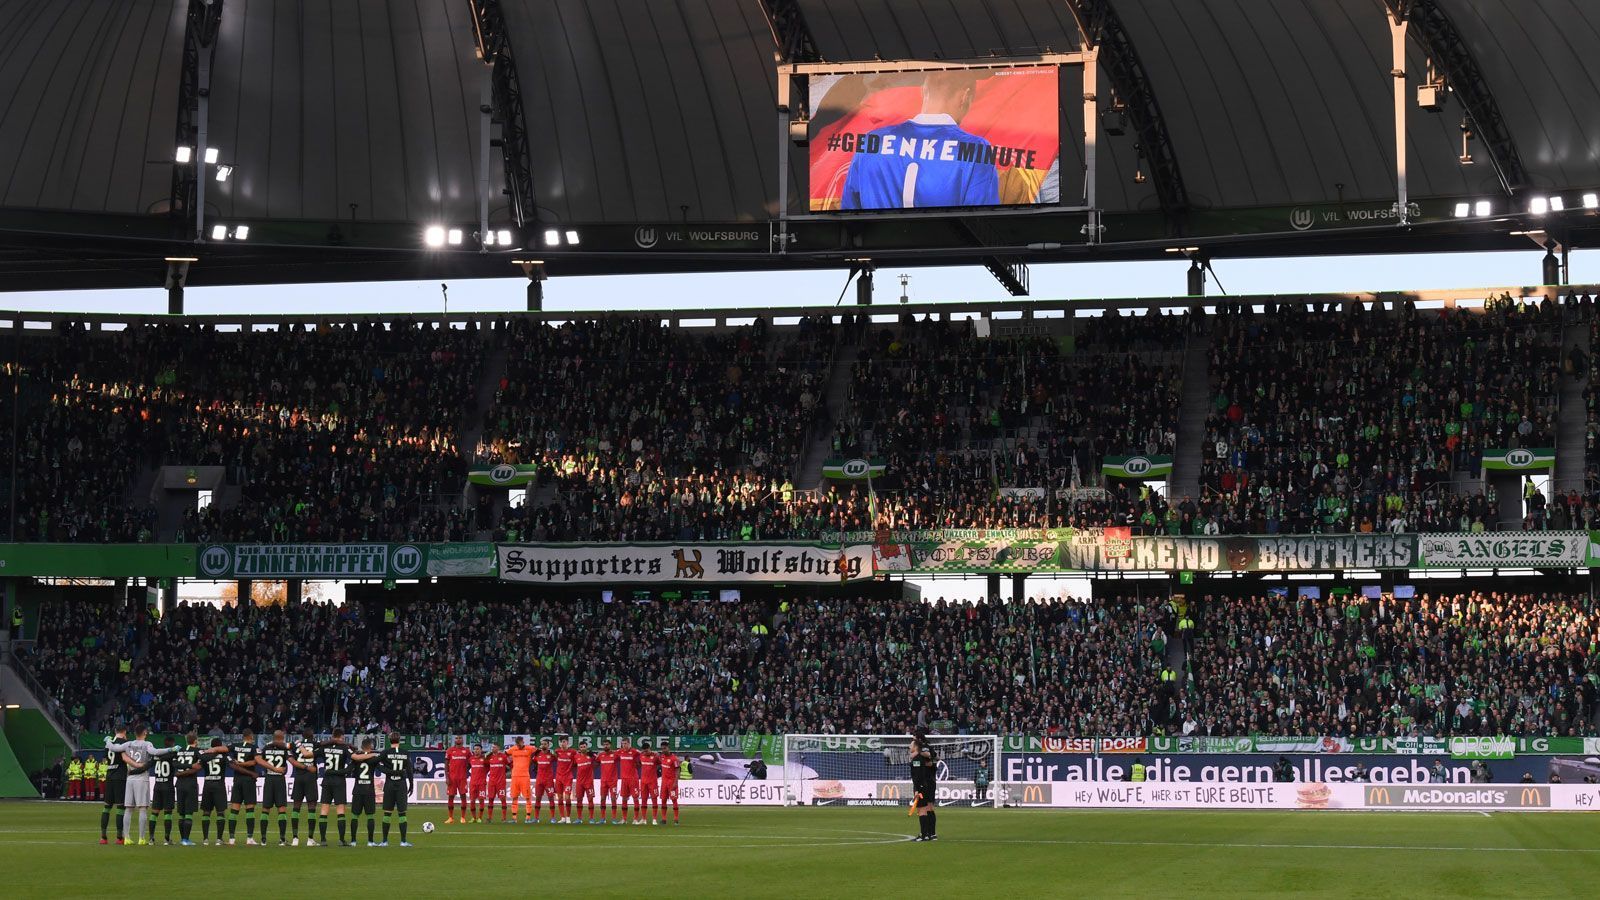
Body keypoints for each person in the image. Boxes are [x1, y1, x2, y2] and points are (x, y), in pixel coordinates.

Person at [839, 71, 1001, 211]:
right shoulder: (976, 149)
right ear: (965, 97)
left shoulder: (871, 141)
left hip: (877, 245)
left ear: (923, 91)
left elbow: (850, 213)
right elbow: (982, 218)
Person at [106, 724, 176, 845]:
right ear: (144, 733)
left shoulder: (128, 744)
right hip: (142, 778)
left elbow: (114, 748)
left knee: (128, 809)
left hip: (130, 778)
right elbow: (155, 752)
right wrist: (169, 749)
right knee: (142, 808)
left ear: (134, 733)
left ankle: (126, 838)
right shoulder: (147, 744)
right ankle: (141, 838)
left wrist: (108, 740)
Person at [316, 728, 355, 846]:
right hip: (339, 781)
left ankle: (323, 840)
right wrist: (344, 771)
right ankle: (341, 840)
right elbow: (354, 760)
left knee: (324, 809)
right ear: (341, 737)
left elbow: (311, 754)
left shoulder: (324, 748)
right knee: (340, 810)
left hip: (327, 780)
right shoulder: (344, 748)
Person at [192, 737, 231, 845]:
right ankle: (219, 839)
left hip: (207, 784)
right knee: (220, 812)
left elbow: (198, 767)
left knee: (206, 812)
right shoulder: (224, 755)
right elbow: (232, 765)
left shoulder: (205, 755)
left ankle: (205, 839)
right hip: (219, 785)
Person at [257, 730, 292, 845]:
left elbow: (259, 760)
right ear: (282, 738)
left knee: (265, 809)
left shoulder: (266, 748)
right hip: (279, 779)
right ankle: (282, 839)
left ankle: (263, 839)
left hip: (269, 779)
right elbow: (291, 760)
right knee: (281, 809)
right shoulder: (284, 748)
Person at [170, 732, 206, 846]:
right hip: (190, 784)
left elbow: (174, 764)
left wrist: (182, 772)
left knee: (181, 813)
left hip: (179, 784)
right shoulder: (197, 751)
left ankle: (182, 839)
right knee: (189, 813)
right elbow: (204, 759)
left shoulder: (179, 751)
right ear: (195, 741)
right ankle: (186, 839)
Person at [226, 728, 260, 845]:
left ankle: (231, 839)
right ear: (250, 736)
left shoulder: (235, 746)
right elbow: (254, 762)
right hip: (248, 780)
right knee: (249, 809)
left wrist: (233, 761)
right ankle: (249, 838)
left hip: (237, 780)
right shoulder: (254, 747)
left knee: (234, 809)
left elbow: (224, 750)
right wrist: (242, 764)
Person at [379, 734, 413, 846]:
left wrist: (388, 771)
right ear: (399, 740)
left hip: (389, 784)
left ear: (389, 740)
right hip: (401, 784)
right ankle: (403, 841)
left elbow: (377, 764)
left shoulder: (385, 752)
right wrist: (411, 784)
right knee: (402, 813)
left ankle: (384, 841)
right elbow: (409, 769)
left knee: (387, 813)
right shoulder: (405, 752)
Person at [98, 724, 128, 844]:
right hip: (120, 776)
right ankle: (119, 838)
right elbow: (125, 758)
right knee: (120, 807)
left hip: (109, 775)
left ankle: (103, 837)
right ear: (124, 731)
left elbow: (105, 758)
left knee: (107, 807)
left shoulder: (108, 743)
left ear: (115, 731)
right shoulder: (124, 743)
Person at [290, 729, 319, 845]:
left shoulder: (295, 745)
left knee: (296, 806)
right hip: (310, 777)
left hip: (299, 777)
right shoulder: (316, 744)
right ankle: (310, 839)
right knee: (311, 806)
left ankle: (295, 838)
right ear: (312, 736)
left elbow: (291, 759)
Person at [350, 739, 381, 846]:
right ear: (370, 746)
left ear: (362, 747)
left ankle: (353, 841)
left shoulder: (356, 758)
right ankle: (370, 841)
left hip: (358, 790)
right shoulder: (373, 758)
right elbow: (382, 768)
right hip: (369, 791)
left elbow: (349, 770)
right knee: (370, 816)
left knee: (354, 816)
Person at [908, 737, 938, 842]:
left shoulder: (917, 760)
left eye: (911, 745)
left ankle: (924, 835)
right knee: (925, 809)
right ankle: (928, 834)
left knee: (921, 810)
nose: (909, 746)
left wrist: (917, 789)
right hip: (925, 785)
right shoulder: (921, 758)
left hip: (921, 787)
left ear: (916, 747)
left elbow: (918, 776)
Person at [506, 736, 535, 823]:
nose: (518, 745)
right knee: (514, 797)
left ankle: (527, 818)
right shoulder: (513, 749)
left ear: (523, 742)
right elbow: (505, 754)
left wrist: (532, 760)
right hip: (515, 776)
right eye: (517, 744)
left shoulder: (529, 748)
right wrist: (509, 764)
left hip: (525, 776)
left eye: (520, 743)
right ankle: (514, 819)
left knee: (527, 797)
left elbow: (538, 752)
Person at [444, 736, 470, 824]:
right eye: (456, 738)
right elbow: (446, 764)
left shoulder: (466, 751)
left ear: (462, 740)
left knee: (463, 796)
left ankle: (463, 817)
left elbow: (471, 762)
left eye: (460, 738)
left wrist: (466, 771)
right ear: (454, 740)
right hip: (452, 778)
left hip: (462, 778)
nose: (458, 739)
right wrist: (447, 777)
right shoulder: (450, 750)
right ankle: (450, 818)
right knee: (451, 796)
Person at [616, 737, 640, 825]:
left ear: (629, 744)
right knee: (624, 799)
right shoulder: (619, 752)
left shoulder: (635, 752)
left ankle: (635, 819)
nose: (624, 745)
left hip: (633, 779)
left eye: (626, 743)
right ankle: (624, 819)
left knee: (635, 798)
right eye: (623, 744)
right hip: (624, 779)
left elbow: (643, 756)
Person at [533, 737, 557, 824]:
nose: (543, 745)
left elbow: (559, 760)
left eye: (545, 744)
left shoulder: (551, 755)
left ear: (548, 745)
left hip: (548, 781)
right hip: (539, 780)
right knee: (538, 798)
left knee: (551, 798)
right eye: (542, 744)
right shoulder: (537, 755)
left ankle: (553, 818)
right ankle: (536, 818)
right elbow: (533, 761)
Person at [638, 740, 661, 825]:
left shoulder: (655, 756)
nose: (645, 752)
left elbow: (661, 763)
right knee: (643, 800)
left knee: (654, 800)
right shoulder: (641, 756)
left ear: (649, 749)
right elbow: (639, 764)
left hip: (653, 782)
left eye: (646, 751)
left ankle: (654, 819)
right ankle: (644, 819)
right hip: (643, 782)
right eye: (644, 751)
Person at [597, 739, 620, 824]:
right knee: (602, 799)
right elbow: (595, 763)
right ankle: (603, 818)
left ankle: (614, 818)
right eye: (604, 745)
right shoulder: (600, 755)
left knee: (613, 799)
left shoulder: (615, 755)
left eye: (607, 744)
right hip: (603, 781)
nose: (605, 746)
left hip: (613, 780)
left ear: (610, 745)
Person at [554, 735, 576, 824]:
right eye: (561, 742)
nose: (562, 744)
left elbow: (577, 761)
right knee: (559, 798)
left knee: (567, 797)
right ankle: (562, 817)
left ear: (567, 742)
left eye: (564, 742)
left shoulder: (573, 752)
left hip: (568, 778)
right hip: (558, 777)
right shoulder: (557, 751)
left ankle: (568, 817)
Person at [485, 743, 510, 823]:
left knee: (503, 799)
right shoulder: (489, 757)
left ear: (498, 748)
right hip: (492, 782)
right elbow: (485, 766)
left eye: (494, 747)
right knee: (490, 799)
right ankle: (489, 817)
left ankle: (504, 818)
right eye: (492, 747)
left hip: (501, 782)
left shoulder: (503, 756)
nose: (493, 748)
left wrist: (507, 774)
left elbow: (510, 765)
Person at [573, 740, 596, 824]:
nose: (583, 748)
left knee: (590, 799)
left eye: (584, 747)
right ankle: (579, 818)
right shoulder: (576, 757)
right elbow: (574, 765)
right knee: (579, 800)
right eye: (581, 747)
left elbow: (597, 761)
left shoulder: (591, 756)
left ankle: (591, 818)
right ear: (579, 748)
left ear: (587, 747)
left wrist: (592, 754)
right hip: (579, 782)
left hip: (589, 782)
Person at [658, 745, 681, 825]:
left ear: (668, 748)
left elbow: (677, 770)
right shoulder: (662, 757)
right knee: (663, 800)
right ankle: (664, 819)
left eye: (665, 748)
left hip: (671, 782)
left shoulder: (674, 759)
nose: (663, 750)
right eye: (662, 749)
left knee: (674, 799)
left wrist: (675, 782)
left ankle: (676, 819)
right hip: (664, 782)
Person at [468, 744, 488, 823]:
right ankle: (473, 818)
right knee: (472, 801)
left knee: (481, 800)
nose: (476, 750)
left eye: (478, 749)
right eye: (475, 749)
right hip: (473, 783)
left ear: (481, 750)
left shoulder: (484, 759)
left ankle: (480, 817)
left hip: (481, 783)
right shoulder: (471, 759)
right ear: (473, 750)